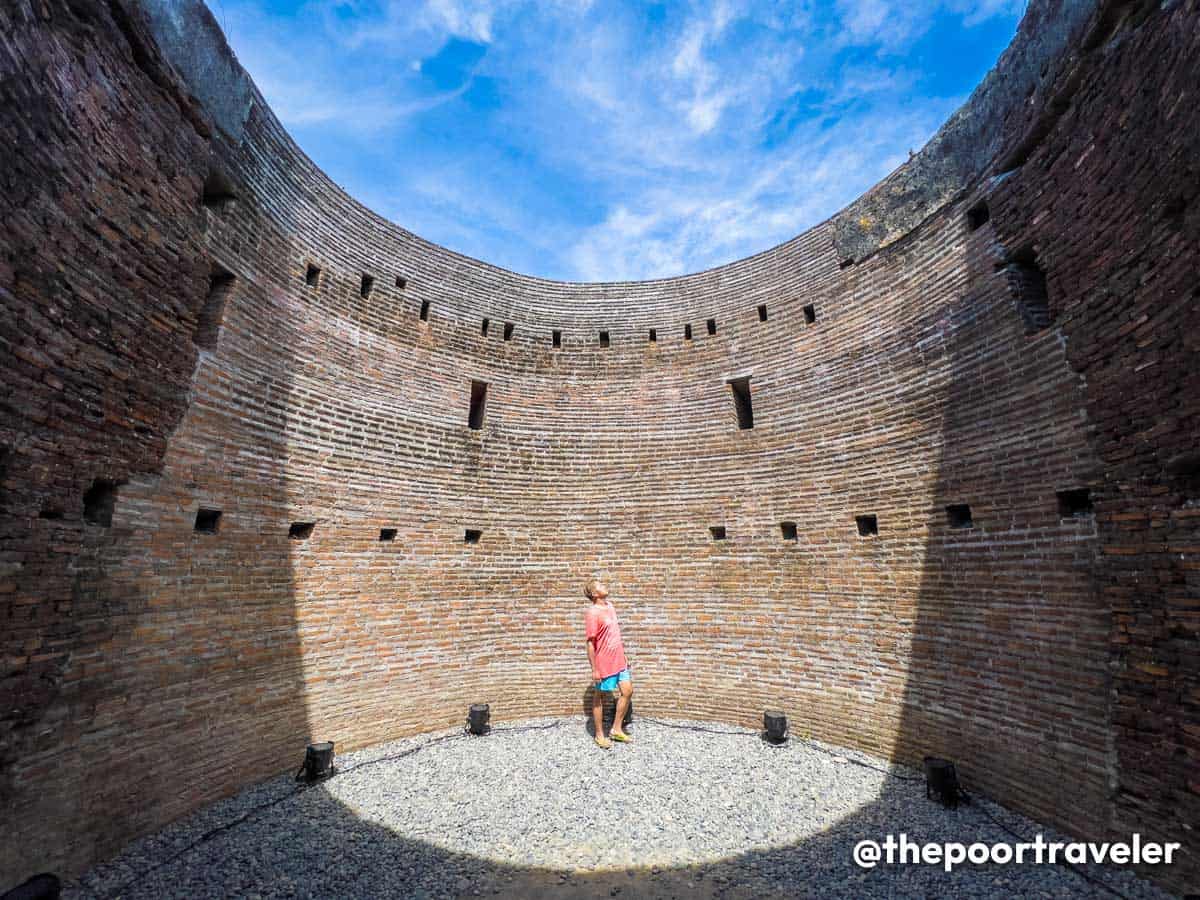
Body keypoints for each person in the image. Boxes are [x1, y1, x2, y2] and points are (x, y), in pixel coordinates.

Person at [584, 578, 632, 749]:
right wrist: (594, 669)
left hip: (619, 660)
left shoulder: (610, 606)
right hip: (604, 662)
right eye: (600, 585)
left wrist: (624, 655)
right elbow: (590, 643)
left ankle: (616, 729)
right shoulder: (592, 613)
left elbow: (615, 634)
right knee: (600, 697)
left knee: (627, 691)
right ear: (594, 593)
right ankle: (599, 735)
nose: (605, 586)